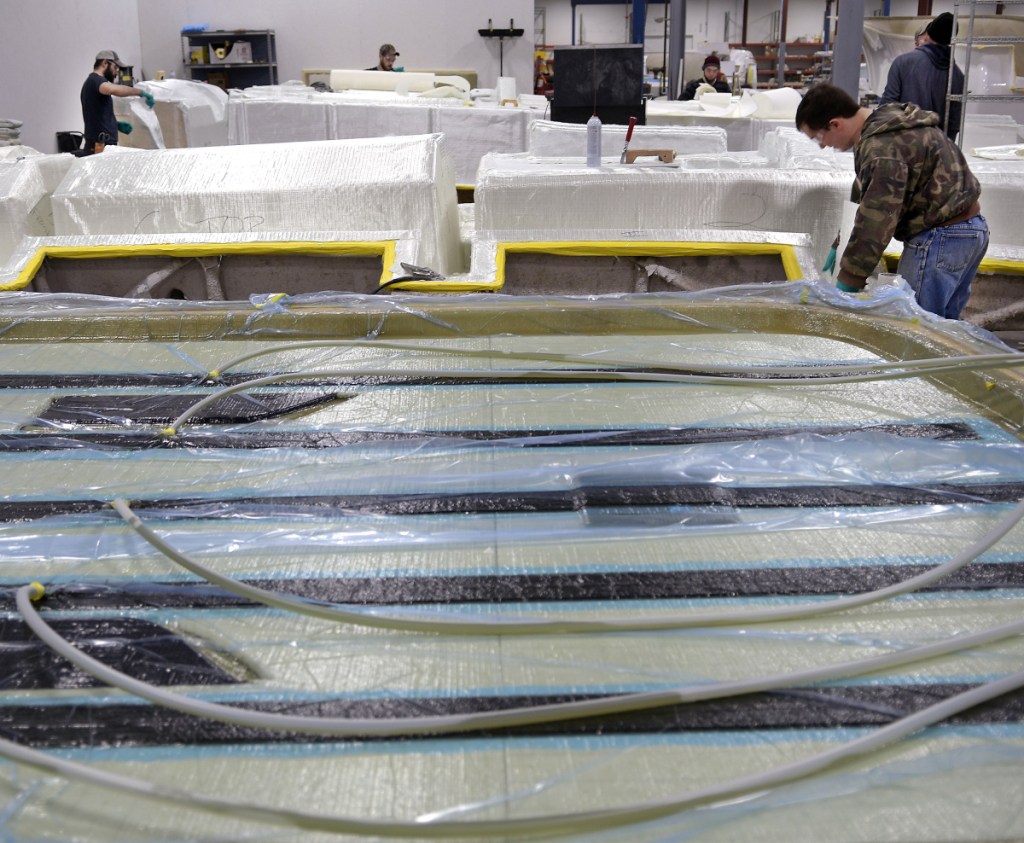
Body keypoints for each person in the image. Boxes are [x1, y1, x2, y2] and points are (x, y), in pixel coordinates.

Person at [795, 83, 988, 320]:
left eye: (818, 137)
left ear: (835, 123)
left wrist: (849, 281)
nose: (823, 146)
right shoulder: (885, 126)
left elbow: (877, 220)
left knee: (917, 329)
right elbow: (865, 195)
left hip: (940, 238)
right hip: (970, 230)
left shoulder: (882, 148)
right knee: (944, 329)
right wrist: (839, 243)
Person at [879, 12, 963, 140]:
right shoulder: (957, 75)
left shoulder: (903, 62)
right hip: (938, 148)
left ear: (928, 34)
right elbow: (954, 123)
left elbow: (887, 107)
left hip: (905, 144)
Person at [80, 50, 155, 154]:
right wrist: (140, 92)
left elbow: (96, 114)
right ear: (104, 63)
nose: (116, 73)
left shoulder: (92, 83)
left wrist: (116, 124)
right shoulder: (96, 81)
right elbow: (114, 90)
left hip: (102, 143)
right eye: (115, 68)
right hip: (100, 145)